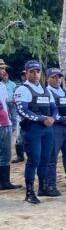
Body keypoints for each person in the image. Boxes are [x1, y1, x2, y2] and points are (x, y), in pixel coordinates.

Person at [14, 60, 57, 203]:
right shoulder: (22, 89)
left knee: (45, 159)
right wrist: (42, 118)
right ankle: (29, 192)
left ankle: (43, 187)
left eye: (37, 71)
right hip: (33, 129)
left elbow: (54, 108)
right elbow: (22, 110)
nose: (35, 74)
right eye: (31, 72)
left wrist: (52, 118)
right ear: (26, 73)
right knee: (34, 160)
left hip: (47, 129)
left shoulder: (46, 90)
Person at [0, 60, 19, 190]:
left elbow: (7, 103)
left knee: (5, 154)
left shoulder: (3, 86)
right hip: (2, 123)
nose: (3, 71)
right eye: (1, 68)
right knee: (4, 154)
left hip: (5, 122)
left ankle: (4, 182)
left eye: (3, 68)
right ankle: (4, 183)